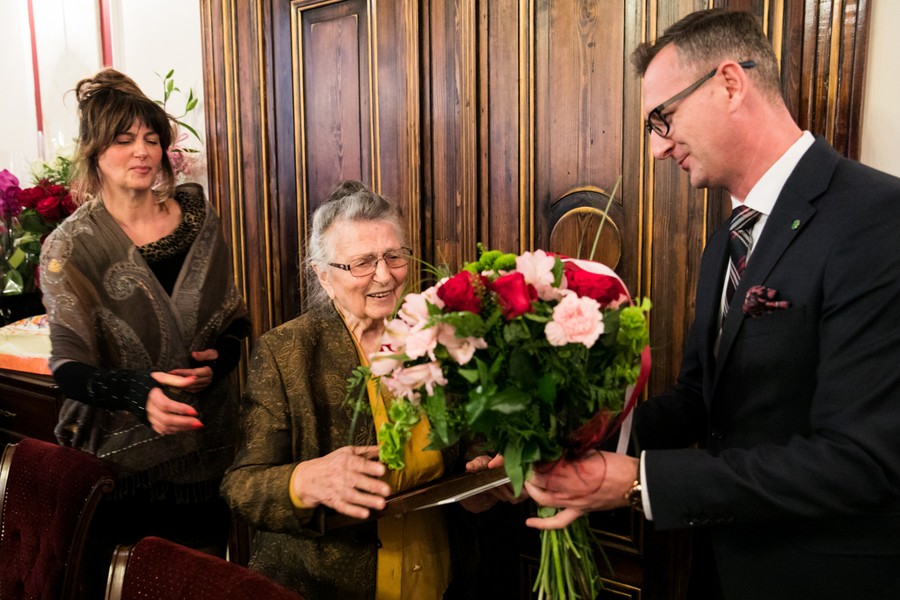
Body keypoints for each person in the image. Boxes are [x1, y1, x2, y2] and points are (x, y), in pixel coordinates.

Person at [524, 9, 900, 600]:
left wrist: (641, 482)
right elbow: (703, 401)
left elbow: (863, 459)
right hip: (722, 572)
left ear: (729, 83)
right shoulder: (727, 240)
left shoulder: (879, 219)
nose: (655, 147)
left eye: (662, 118)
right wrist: (572, 446)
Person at [221, 181, 482, 600]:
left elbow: (470, 438)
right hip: (325, 587)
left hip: (440, 577)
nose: (384, 275)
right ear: (323, 276)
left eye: (394, 256)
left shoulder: (435, 332)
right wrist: (302, 481)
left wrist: (480, 468)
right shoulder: (286, 352)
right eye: (362, 263)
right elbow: (241, 488)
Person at [39, 68, 250, 586]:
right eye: (124, 140)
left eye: (151, 139)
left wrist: (216, 364)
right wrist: (138, 393)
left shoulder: (202, 219)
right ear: (94, 153)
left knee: (206, 582)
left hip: (209, 450)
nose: (142, 152)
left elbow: (236, 322)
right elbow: (68, 370)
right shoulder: (69, 247)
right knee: (132, 583)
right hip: (124, 471)